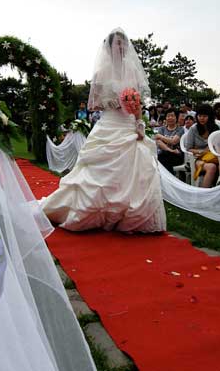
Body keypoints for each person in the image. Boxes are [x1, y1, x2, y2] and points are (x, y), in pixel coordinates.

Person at [42, 28, 166, 233]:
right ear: (109, 46)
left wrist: (139, 122)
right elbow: (93, 104)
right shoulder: (102, 72)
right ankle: (94, 211)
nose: (121, 46)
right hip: (109, 123)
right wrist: (113, 103)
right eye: (117, 43)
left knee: (135, 169)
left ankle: (128, 215)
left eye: (124, 43)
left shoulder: (133, 70)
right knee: (99, 172)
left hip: (128, 125)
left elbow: (138, 103)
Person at [185, 104, 220, 187]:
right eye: (199, 116)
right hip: (196, 158)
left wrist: (209, 150)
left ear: (210, 117)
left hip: (214, 158)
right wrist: (202, 151)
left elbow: (218, 146)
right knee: (212, 167)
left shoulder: (216, 129)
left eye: (204, 116)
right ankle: (204, 195)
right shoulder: (193, 129)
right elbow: (188, 148)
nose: (201, 118)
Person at [155, 108, 184, 175]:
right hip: (165, 154)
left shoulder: (180, 129)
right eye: (168, 116)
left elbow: (174, 141)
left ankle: (167, 182)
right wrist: (170, 150)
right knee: (162, 158)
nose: (170, 118)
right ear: (165, 118)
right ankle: (171, 181)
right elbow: (159, 143)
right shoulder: (162, 129)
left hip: (177, 155)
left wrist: (161, 137)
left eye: (172, 116)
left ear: (176, 118)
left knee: (161, 159)